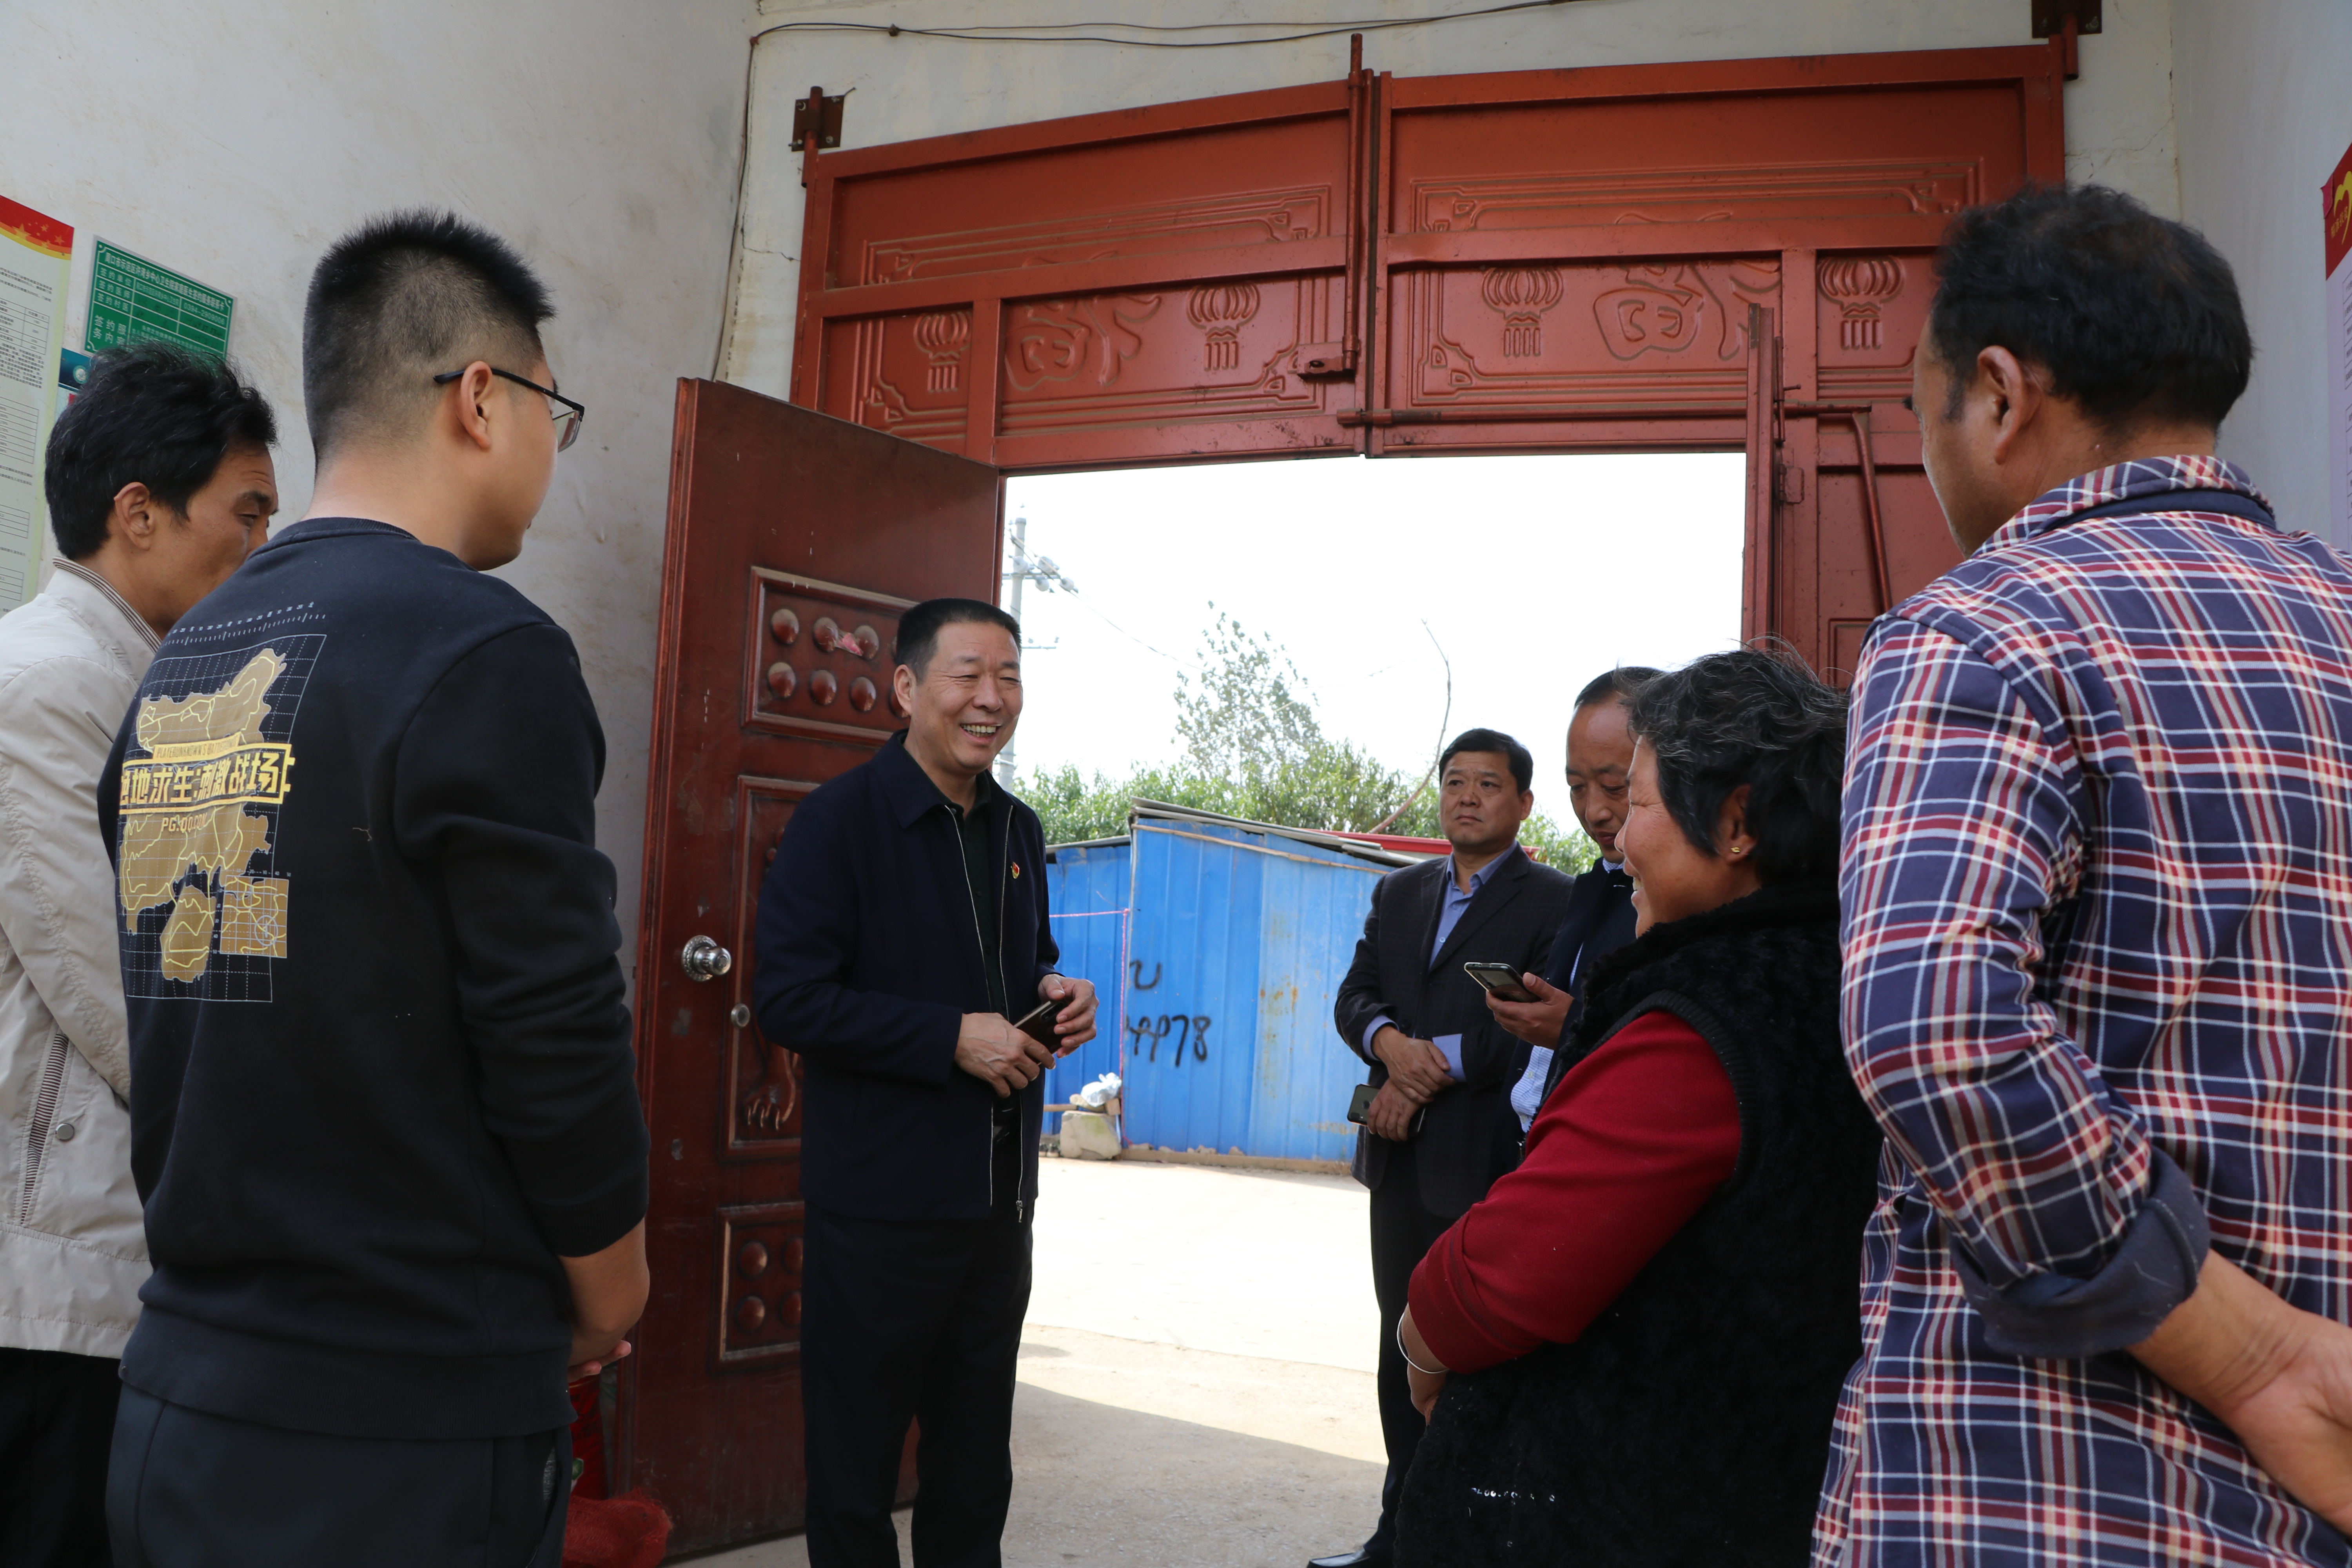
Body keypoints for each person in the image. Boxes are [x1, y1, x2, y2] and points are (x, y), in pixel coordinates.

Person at [96, 212, 647, 1568]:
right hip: (393, 1425)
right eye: (554, 413)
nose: (550, 452)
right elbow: (554, 1033)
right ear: (482, 399)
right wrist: (610, 1286)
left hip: (179, 1399)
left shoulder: (180, 662)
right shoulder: (484, 651)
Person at [1824, 182, 2352, 1563]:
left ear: (2000, 395)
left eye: (1923, 411)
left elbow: (1938, 1031)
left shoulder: (1980, 631)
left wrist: (2251, 1353)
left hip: (2050, 1491)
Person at [1394, 650, 1881, 1566]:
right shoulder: (1843, 972)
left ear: (1734, 823)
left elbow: (1508, 1272)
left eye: (1640, 801)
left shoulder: (1704, 1025)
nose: (1619, 838)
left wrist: (1420, 1338)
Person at [0, 344, 277, 1568]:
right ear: (139, 514)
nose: (261, 546)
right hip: (44, 1271)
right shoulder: (46, 680)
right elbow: (104, 984)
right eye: (247, 512)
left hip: (108, 1250)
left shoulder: (146, 683)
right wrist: (259, 1153)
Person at [753, 597, 1099, 1568]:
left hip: (997, 1203)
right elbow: (788, 998)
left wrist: (1056, 992)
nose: (992, 698)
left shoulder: (1018, 827)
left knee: (975, 1464)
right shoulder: (838, 822)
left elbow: (1020, 964)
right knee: (856, 1466)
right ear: (906, 687)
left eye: (1010, 677)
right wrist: (947, 1037)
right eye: (968, 675)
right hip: (881, 1206)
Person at [1317, 730, 1573, 1568]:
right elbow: (1355, 996)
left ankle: (1462, 1539)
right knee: (1398, 1338)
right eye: (1455, 781)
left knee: (1469, 1351)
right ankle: (1397, 1530)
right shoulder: (1399, 891)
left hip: (1485, 1163)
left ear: (1524, 803)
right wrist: (1391, 1045)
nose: (1467, 797)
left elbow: (1529, 1029)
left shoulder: (1556, 902)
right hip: (1398, 1158)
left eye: (1488, 784)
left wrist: (1425, 1066)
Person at [1488, 666, 1659, 1155]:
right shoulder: (1589, 889)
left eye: (1616, 786)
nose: (1593, 811)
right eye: (1577, 787)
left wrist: (1572, 1028)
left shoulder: (1675, 904)